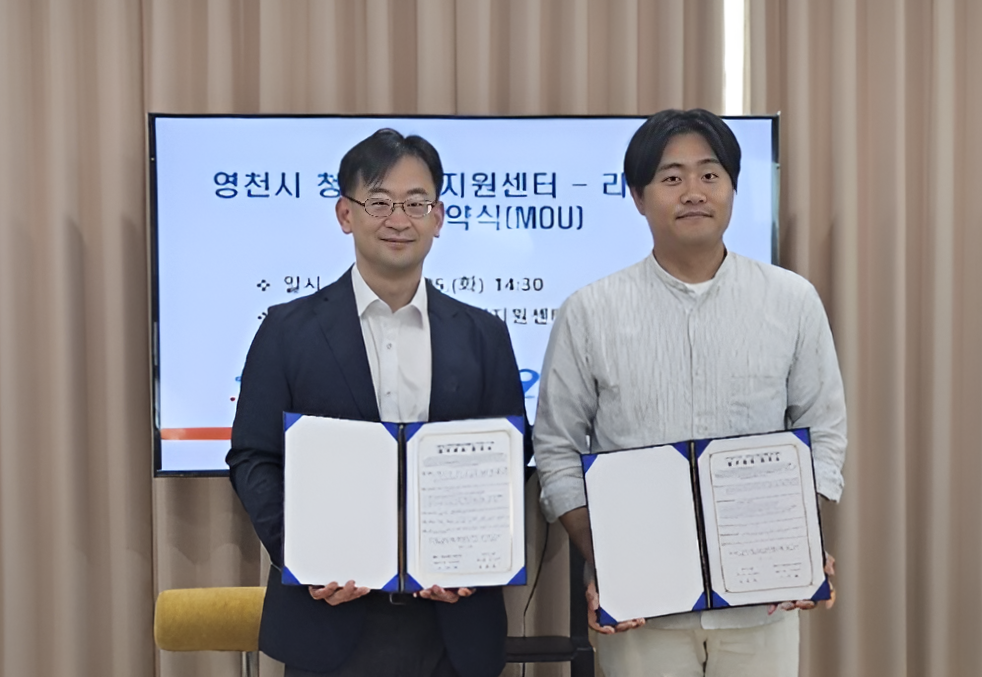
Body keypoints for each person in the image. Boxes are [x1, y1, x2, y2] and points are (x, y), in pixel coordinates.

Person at [533, 108, 846, 677]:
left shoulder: (792, 301)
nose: (694, 192)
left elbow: (823, 433)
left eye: (710, 174)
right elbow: (556, 449)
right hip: (642, 609)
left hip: (762, 604)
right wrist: (606, 560)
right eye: (672, 178)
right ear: (638, 196)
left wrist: (803, 540)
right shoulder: (589, 311)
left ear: (733, 188)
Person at [227, 129, 526, 677]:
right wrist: (302, 556)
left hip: (454, 624)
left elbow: (507, 462)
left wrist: (474, 561)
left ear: (438, 218)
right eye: (380, 202)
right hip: (330, 616)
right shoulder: (287, 331)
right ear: (346, 214)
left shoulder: (484, 335)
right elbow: (254, 457)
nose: (398, 219)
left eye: (416, 203)